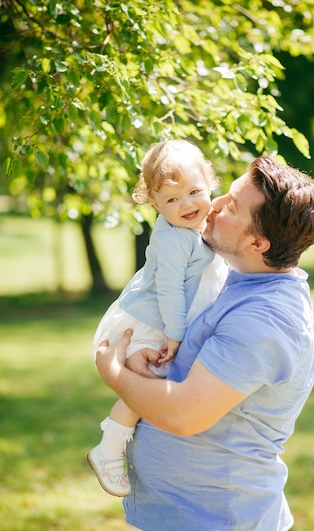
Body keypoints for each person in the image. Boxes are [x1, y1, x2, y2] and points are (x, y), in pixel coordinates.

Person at [95, 155, 314, 531]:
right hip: (209, 524)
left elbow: (186, 415)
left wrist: (114, 371)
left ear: (258, 241)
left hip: (214, 530)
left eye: (233, 205)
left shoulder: (263, 319)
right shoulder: (241, 283)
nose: (214, 203)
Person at [88, 140, 229, 497]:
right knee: (145, 382)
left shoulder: (197, 224)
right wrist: (175, 335)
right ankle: (108, 449)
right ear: (154, 203)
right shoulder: (171, 241)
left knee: (155, 385)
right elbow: (168, 291)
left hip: (163, 319)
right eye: (171, 199)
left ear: (209, 182)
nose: (187, 205)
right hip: (150, 322)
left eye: (195, 191)